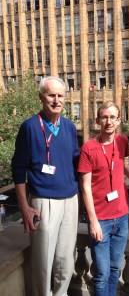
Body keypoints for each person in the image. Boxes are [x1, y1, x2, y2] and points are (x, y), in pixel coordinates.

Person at [11, 76, 80, 296]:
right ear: (41, 97)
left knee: (66, 260)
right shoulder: (29, 127)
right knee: (43, 263)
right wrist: (24, 207)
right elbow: (18, 169)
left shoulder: (69, 126)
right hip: (43, 202)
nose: (57, 100)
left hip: (70, 199)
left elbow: (78, 163)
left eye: (60, 95)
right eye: (52, 95)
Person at [78, 101, 129, 296]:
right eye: (104, 117)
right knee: (101, 274)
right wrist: (92, 221)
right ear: (97, 121)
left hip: (121, 216)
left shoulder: (122, 141)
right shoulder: (89, 148)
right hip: (100, 219)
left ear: (118, 120)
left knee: (113, 270)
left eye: (112, 117)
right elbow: (85, 186)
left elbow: (122, 163)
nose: (108, 122)